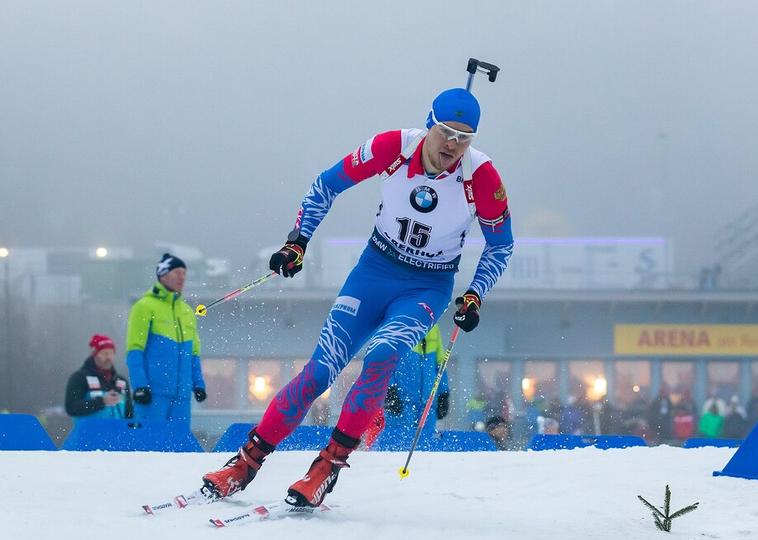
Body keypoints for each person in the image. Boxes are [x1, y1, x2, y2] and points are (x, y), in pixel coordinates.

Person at [201, 87, 514, 507]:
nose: (454, 145)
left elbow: (501, 245)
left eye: (465, 137)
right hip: (374, 273)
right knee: (319, 372)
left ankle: (326, 467)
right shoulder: (392, 147)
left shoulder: (483, 176)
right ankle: (244, 464)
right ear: (428, 125)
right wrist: (299, 242)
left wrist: (475, 294)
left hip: (427, 286)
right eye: (446, 133)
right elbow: (325, 186)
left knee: (383, 354)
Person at [126, 253, 207, 428]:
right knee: (149, 445)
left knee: (178, 449)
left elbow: (194, 353)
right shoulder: (144, 306)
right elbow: (134, 350)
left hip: (182, 396)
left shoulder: (187, 312)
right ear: (162, 274)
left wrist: (198, 384)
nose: (182, 277)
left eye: (184, 273)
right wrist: (140, 385)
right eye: (177, 272)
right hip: (153, 393)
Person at [64, 334, 132, 420]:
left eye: (111, 353)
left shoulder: (121, 381)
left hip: (118, 432)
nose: (108, 357)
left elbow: (129, 413)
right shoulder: (80, 377)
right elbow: (71, 408)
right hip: (89, 432)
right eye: (105, 353)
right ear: (95, 354)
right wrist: (101, 402)